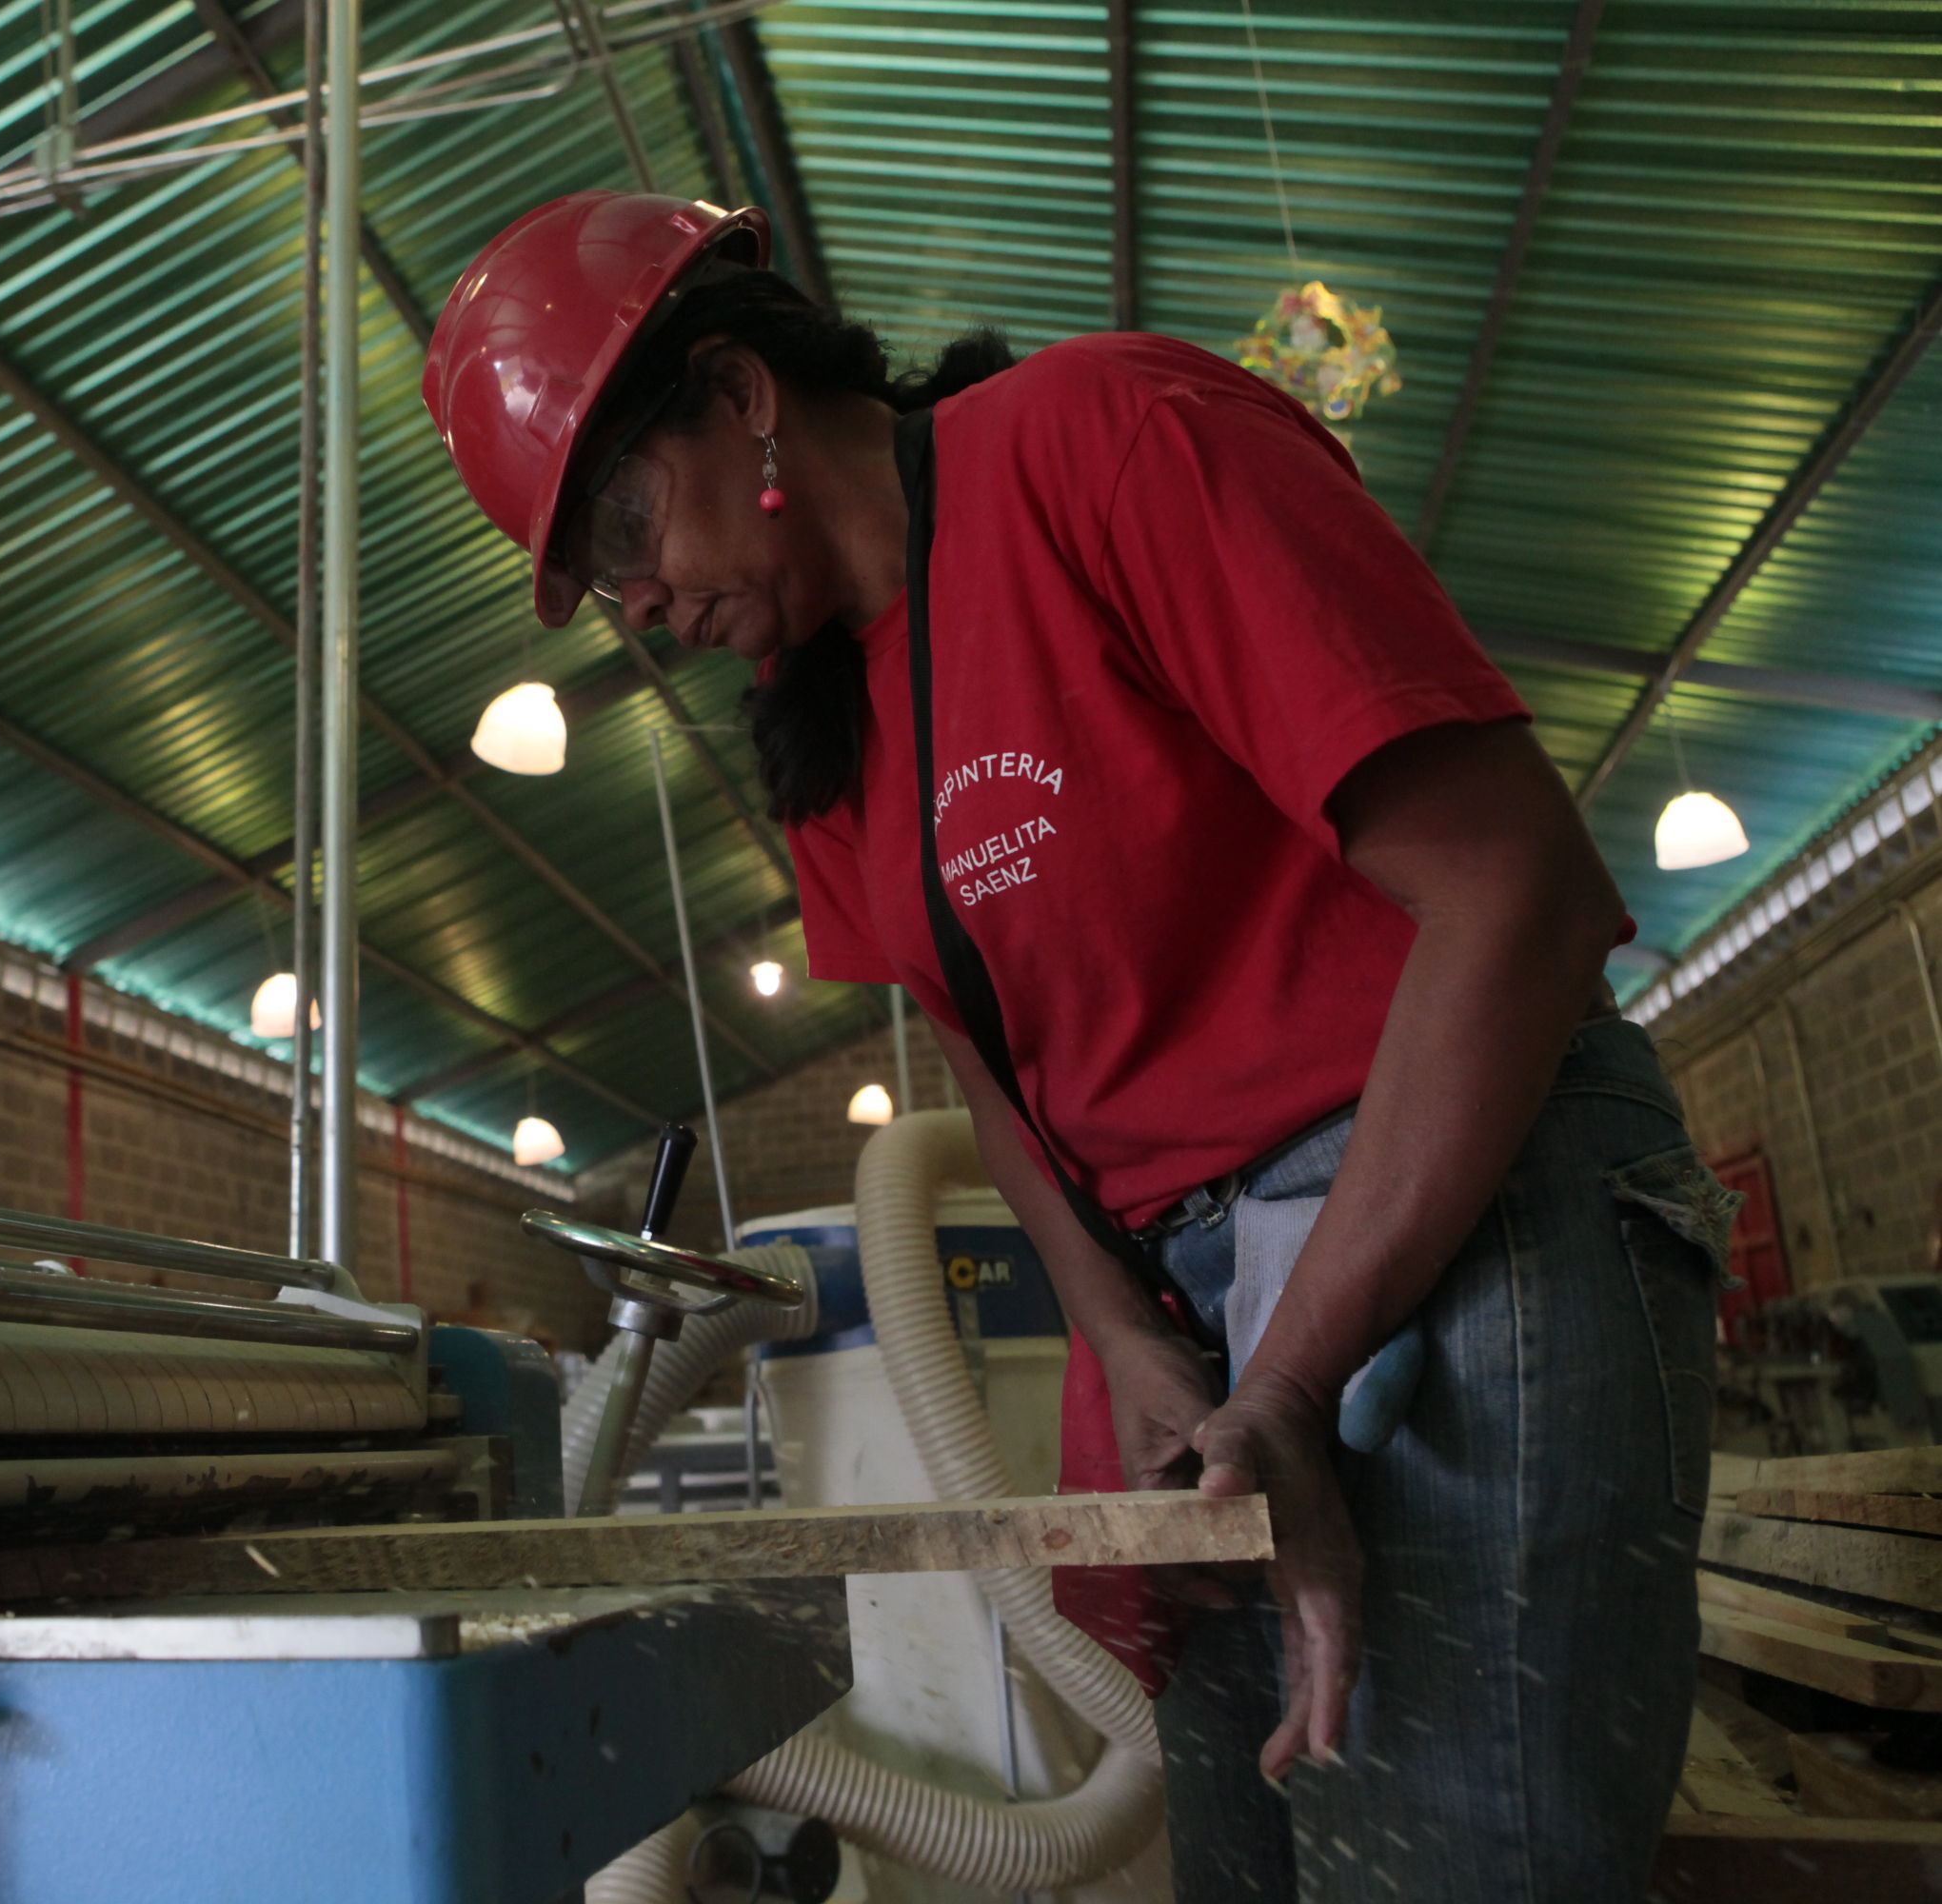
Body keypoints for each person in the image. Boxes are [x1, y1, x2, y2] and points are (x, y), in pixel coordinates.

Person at [423, 191, 1739, 1901]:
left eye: (623, 522)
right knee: (1249, 1861)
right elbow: (989, 1061)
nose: (641, 603)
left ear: (741, 394)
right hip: (1211, 1307)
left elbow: (1518, 900)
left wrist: (1285, 1376)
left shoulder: (1106, 444)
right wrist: (1130, 1345)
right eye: (599, 584)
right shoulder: (826, 729)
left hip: (1464, 1219)